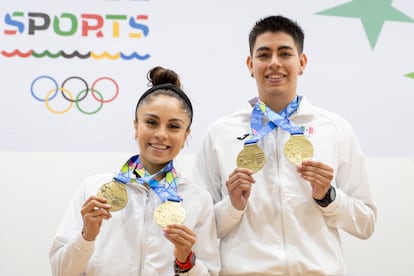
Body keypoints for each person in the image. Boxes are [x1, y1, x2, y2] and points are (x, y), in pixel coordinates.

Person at [191, 15, 377, 275]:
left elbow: (366, 223)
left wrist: (328, 197)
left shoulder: (334, 129)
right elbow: (198, 229)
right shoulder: (220, 134)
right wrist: (232, 206)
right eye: (264, 55)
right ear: (250, 64)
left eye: (285, 53)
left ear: (301, 63)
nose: (274, 63)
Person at [49, 66, 220, 276]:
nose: (161, 134)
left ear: (186, 136)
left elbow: (210, 273)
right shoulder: (94, 190)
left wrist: (186, 260)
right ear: (135, 127)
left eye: (174, 126)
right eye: (151, 122)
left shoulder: (198, 199)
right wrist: (87, 236)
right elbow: (60, 271)